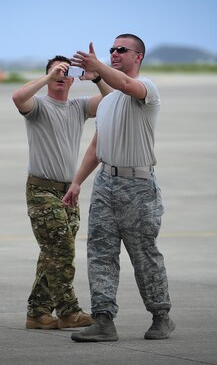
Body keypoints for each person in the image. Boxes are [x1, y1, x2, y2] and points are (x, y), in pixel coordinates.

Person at [62, 34, 175, 342]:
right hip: (105, 185)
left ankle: (161, 316)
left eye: (121, 50)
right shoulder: (108, 102)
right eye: (111, 49)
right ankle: (103, 319)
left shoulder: (146, 89)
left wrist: (98, 67)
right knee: (99, 252)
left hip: (137, 186)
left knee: (144, 255)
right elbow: (97, 146)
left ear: (137, 57)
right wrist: (76, 182)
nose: (114, 53)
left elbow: (127, 86)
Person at [12, 54, 112, 329]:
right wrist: (49, 75)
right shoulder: (38, 106)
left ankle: (37, 312)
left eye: (66, 73)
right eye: (56, 72)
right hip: (41, 191)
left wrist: (98, 78)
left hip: (68, 192)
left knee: (52, 253)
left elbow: (112, 101)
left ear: (72, 80)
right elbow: (18, 97)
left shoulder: (77, 107)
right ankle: (69, 312)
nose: (60, 76)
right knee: (62, 251)